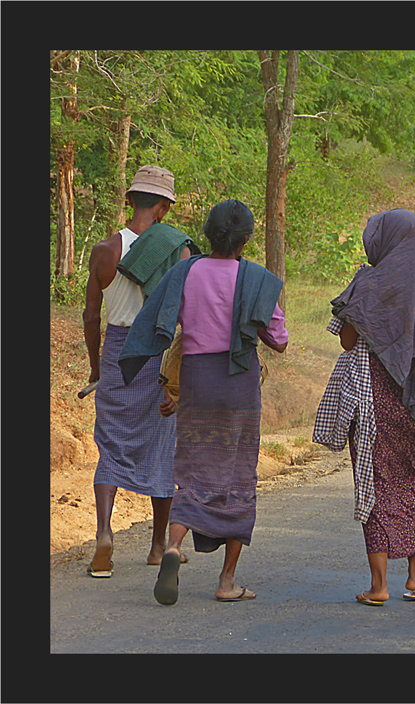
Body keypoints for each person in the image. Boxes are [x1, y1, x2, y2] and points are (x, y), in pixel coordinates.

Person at [119, 200, 288, 605]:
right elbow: (278, 339)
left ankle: (174, 548)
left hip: (196, 379)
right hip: (238, 386)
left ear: (207, 234)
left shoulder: (186, 270)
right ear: (246, 239)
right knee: (237, 474)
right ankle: (226, 581)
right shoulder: (257, 279)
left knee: (193, 471)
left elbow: (158, 319)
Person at [313, 209, 415, 607]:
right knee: (412, 481)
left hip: (372, 403)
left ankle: (378, 587)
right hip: (414, 402)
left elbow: (346, 341)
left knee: (375, 483)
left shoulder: (369, 283)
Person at [82, 165, 195, 578]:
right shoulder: (178, 250)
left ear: (130, 201)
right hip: (158, 354)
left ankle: (103, 534)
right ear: (164, 207)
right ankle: (157, 545)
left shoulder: (104, 251)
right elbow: (185, 315)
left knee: (111, 443)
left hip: (117, 352)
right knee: (162, 446)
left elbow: (91, 315)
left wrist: (97, 367)